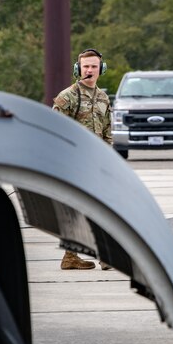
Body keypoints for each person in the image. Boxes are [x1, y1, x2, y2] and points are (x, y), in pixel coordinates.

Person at [52, 48, 113, 271]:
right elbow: (55, 130)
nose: (89, 70)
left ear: (101, 69)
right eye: (86, 66)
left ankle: (97, 255)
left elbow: (107, 132)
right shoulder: (67, 96)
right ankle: (72, 256)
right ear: (78, 69)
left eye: (94, 66)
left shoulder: (103, 98)